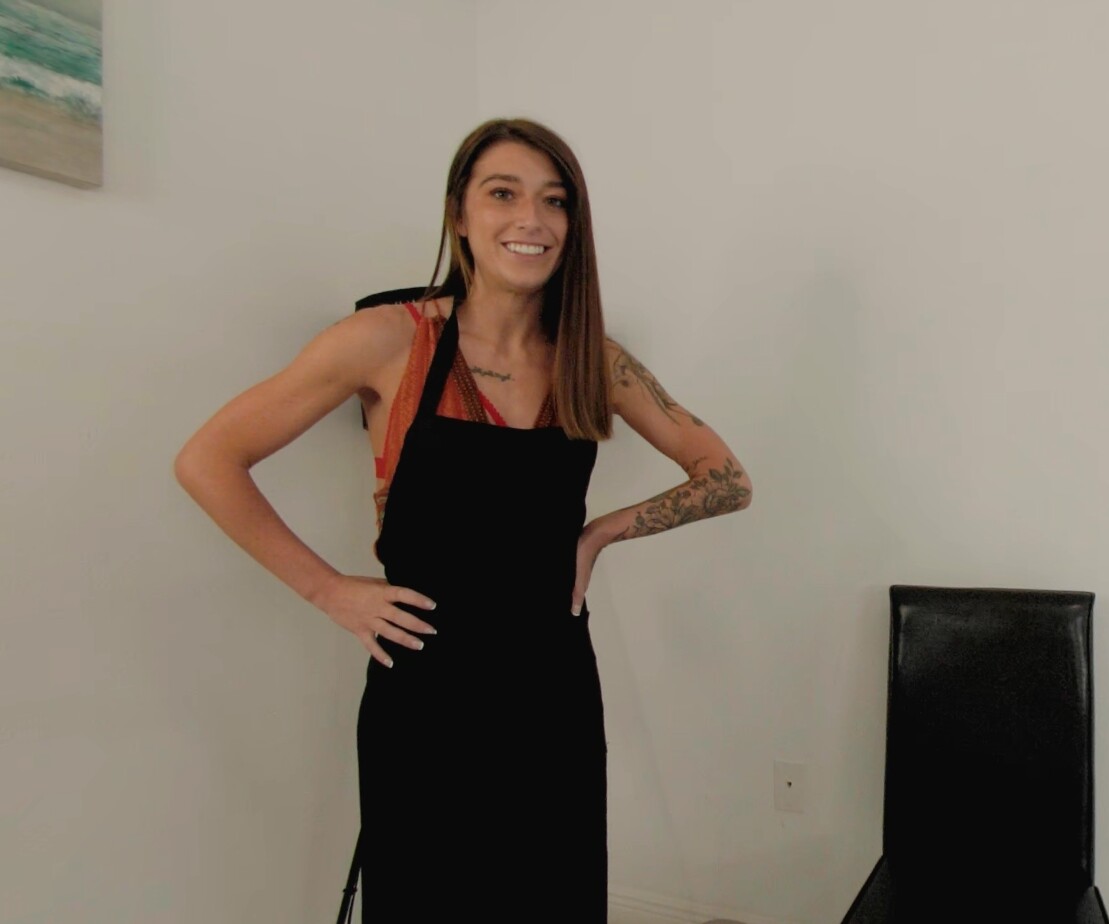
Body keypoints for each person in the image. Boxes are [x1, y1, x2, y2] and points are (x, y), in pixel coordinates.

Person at [174, 118, 752, 922]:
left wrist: (600, 533)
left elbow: (726, 478)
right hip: (426, 689)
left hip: (551, 688)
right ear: (459, 214)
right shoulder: (388, 339)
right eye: (503, 194)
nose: (531, 219)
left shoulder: (593, 359)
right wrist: (328, 590)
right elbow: (208, 460)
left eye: (555, 201)